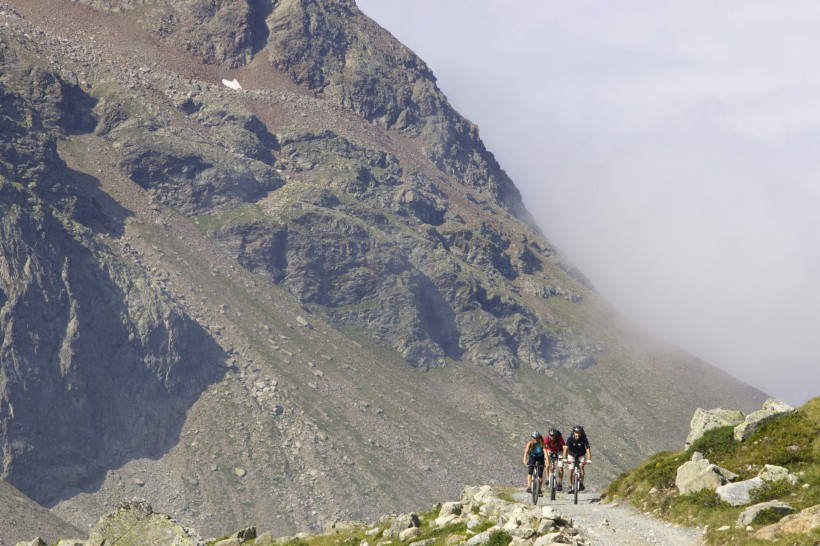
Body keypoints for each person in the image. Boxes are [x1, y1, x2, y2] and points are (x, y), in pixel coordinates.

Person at [562, 425, 592, 493]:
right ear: (574, 432)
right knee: (571, 469)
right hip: (571, 454)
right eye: (576, 432)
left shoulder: (584, 439)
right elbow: (566, 448)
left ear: (581, 433)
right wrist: (564, 458)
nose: (577, 434)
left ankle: (581, 483)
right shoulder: (570, 438)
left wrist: (589, 459)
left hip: (581, 455)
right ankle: (570, 485)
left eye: (579, 433)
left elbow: (587, 449)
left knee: (581, 466)